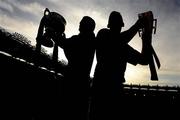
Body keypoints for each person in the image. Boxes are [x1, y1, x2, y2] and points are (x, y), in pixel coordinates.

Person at [90, 11, 148, 120]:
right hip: (102, 88)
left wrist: (146, 40)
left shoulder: (123, 47)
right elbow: (118, 40)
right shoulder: (103, 34)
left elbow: (144, 60)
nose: (118, 27)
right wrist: (138, 25)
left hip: (112, 89)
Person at [58, 16, 96, 120]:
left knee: (68, 113)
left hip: (73, 84)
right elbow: (71, 56)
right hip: (82, 85)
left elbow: (64, 44)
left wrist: (53, 33)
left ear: (87, 26)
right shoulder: (91, 41)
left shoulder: (82, 39)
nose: (79, 24)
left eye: (81, 23)